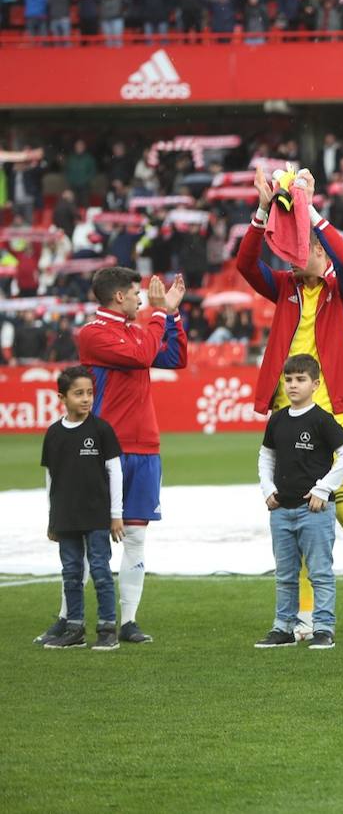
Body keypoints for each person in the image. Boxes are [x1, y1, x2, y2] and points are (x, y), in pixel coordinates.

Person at [239, 168, 343, 643]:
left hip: (336, 415)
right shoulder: (284, 288)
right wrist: (263, 212)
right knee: (304, 519)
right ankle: (305, 618)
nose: (294, 255)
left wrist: (309, 211)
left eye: (303, 248)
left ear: (321, 252)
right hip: (290, 417)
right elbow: (246, 265)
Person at [38, 266, 188, 647]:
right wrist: (158, 313)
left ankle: (129, 621)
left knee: (135, 535)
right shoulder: (94, 334)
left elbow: (174, 357)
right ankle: (68, 618)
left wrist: (171, 315)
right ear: (119, 296)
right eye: (137, 293)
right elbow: (141, 356)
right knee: (87, 537)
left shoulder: (137, 329)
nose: (141, 299)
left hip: (145, 446)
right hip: (104, 447)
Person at [254, 355, 343, 651]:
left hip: (315, 511)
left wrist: (323, 489)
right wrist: (267, 488)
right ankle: (283, 628)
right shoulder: (277, 420)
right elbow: (266, 455)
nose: (292, 385)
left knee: (320, 573)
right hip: (281, 510)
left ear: (315, 384)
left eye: (300, 380)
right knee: (285, 575)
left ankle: (323, 629)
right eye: (288, 380)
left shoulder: (322, 419)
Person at [40, 366, 125, 651]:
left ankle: (107, 629)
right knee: (71, 573)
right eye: (79, 393)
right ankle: (74, 629)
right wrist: (52, 518)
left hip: (97, 515)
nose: (86, 398)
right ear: (62, 397)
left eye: (89, 392)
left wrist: (116, 515)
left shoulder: (101, 430)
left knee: (100, 571)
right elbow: (50, 478)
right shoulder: (53, 434)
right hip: (66, 517)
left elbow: (115, 472)